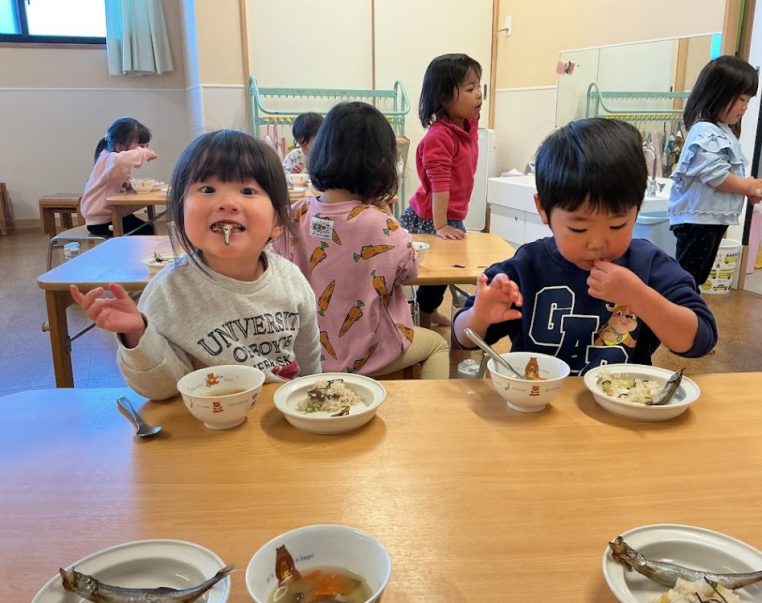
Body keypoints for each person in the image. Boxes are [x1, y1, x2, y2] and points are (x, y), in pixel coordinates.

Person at [452, 118, 717, 375]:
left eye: (617, 225)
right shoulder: (527, 267)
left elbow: (701, 341)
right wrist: (479, 315)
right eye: (579, 228)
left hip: (623, 400)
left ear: (637, 210)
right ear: (543, 209)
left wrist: (638, 296)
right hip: (538, 399)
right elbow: (463, 338)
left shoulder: (649, 265)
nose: (598, 243)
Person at [71, 129, 322, 400]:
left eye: (248, 191)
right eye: (207, 189)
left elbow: (309, 368)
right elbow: (161, 390)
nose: (228, 203)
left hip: (278, 416)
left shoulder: (291, 280)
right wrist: (137, 334)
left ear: (278, 221)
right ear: (180, 212)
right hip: (202, 419)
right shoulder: (167, 293)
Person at [272, 102, 450, 378]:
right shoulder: (381, 224)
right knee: (438, 344)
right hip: (371, 353)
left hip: (307, 356)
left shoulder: (295, 215)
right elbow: (409, 273)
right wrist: (386, 216)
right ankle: (426, 408)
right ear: (381, 165)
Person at [399, 53, 482, 329]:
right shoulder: (439, 137)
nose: (478, 94)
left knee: (446, 273)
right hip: (430, 218)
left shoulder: (468, 125)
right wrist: (441, 225)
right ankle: (423, 319)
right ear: (444, 99)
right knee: (435, 274)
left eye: (478, 86)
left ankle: (430, 312)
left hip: (450, 215)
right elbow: (439, 186)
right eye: (469, 89)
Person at [669, 55, 762, 290]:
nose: (745, 106)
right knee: (687, 276)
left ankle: (687, 305)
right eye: (741, 98)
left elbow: (725, 173)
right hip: (697, 220)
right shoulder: (704, 131)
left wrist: (747, 188)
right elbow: (715, 175)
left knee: (696, 276)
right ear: (718, 93)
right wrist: (746, 186)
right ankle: (679, 306)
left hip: (710, 219)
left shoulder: (722, 130)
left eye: (748, 100)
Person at [81, 117, 158, 237]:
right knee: (145, 233)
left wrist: (131, 185)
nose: (143, 150)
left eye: (146, 146)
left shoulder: (116, 164)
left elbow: (119, 183)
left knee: (148, 229)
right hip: (102, 222)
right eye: (140, 147)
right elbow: (122, 160)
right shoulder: (111, 159)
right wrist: (146, 153)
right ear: (120, 147)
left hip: (116, 214)